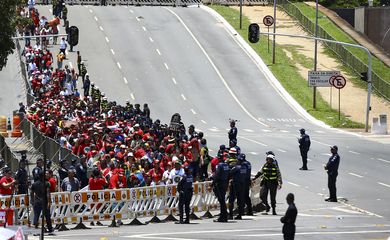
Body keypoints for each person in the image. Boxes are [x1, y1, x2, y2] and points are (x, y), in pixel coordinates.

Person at [211, 152, 229, 222]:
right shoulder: (226, 165)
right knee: (223, 200)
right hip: (224, 183)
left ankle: (223, 217)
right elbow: (228, 175)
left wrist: (212, 184)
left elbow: (217, 176)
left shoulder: (220, 165)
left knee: (221, 201)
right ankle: (224, 216)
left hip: (220, 184)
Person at [228, 154, 246, 220]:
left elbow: (230, 174)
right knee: (240, 200)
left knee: (231, 200)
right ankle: (240, 215)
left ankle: (230, 215)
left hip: (235, 185)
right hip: (242, 185)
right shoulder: (244, 167)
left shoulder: (236, 167)